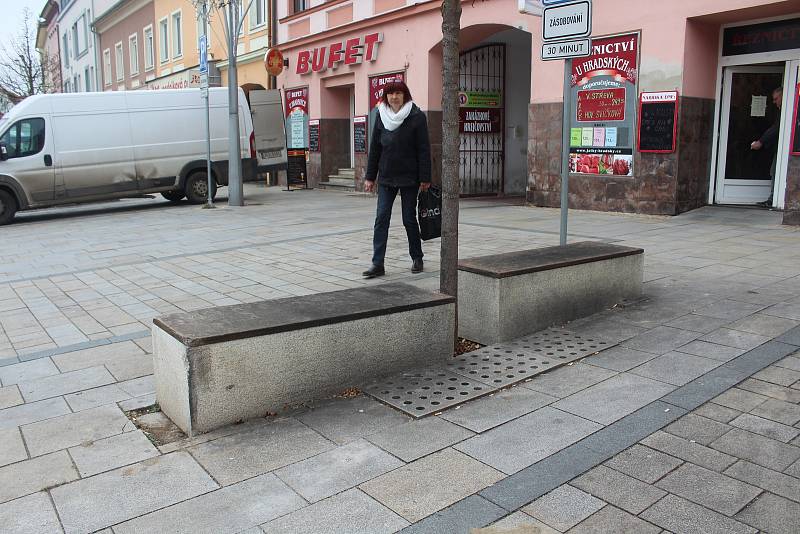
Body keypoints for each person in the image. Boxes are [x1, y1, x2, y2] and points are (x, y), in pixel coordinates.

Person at [362, 80, 431, 279]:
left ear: (405, 95)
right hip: (386, 177)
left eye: (398, 93)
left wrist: (425, 177)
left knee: (408, 218)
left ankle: (417, 257)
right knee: (381, 218)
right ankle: (377, 264)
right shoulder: (381, 115)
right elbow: (375, 147)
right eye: (390, 93)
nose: (394, 97)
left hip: (409, 177)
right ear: (386, 96)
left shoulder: (417, 116)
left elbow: (424, 149)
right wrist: (370, 177)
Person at [750, 86, 782, 208]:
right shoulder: (782, 110)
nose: (774, 102)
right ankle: (772, 198)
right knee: (773, 171)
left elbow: (776, 128)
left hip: (786, 150)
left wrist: (761, 142)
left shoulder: (787, 110)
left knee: (774, 171)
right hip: (778, 148)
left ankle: (773, 199)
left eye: (776, 99)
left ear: (783, 96)